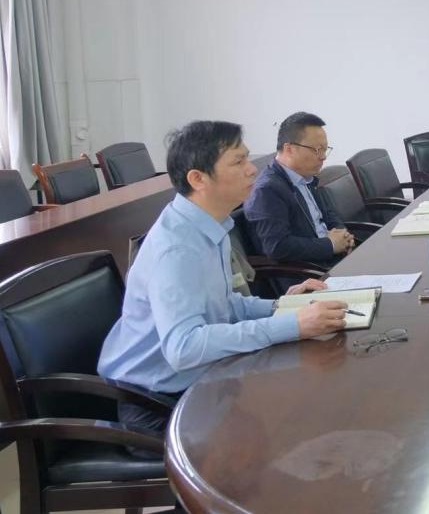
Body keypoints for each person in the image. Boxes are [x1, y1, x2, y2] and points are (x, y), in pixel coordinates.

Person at [99, 120, 347, 445]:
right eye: (238, 162)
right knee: (286, 429)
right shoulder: (176, 249)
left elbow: (224, 305)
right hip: (154, 403)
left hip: (201, 380)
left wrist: (283, 306)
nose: (252, 170)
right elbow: (185, 347)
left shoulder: (210, 225)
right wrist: (293, 325)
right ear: (198, 179)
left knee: (306, 406)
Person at [244, 112, 356, 276]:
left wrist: (343, 235)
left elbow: (327, 214)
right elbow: (277, 246)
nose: (323, 157)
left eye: (325, 149)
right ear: (289, 149)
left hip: (333, 259)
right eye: (317, 150)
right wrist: (330, 245)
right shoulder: (267, 190)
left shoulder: (306, 177)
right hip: (311, 273)